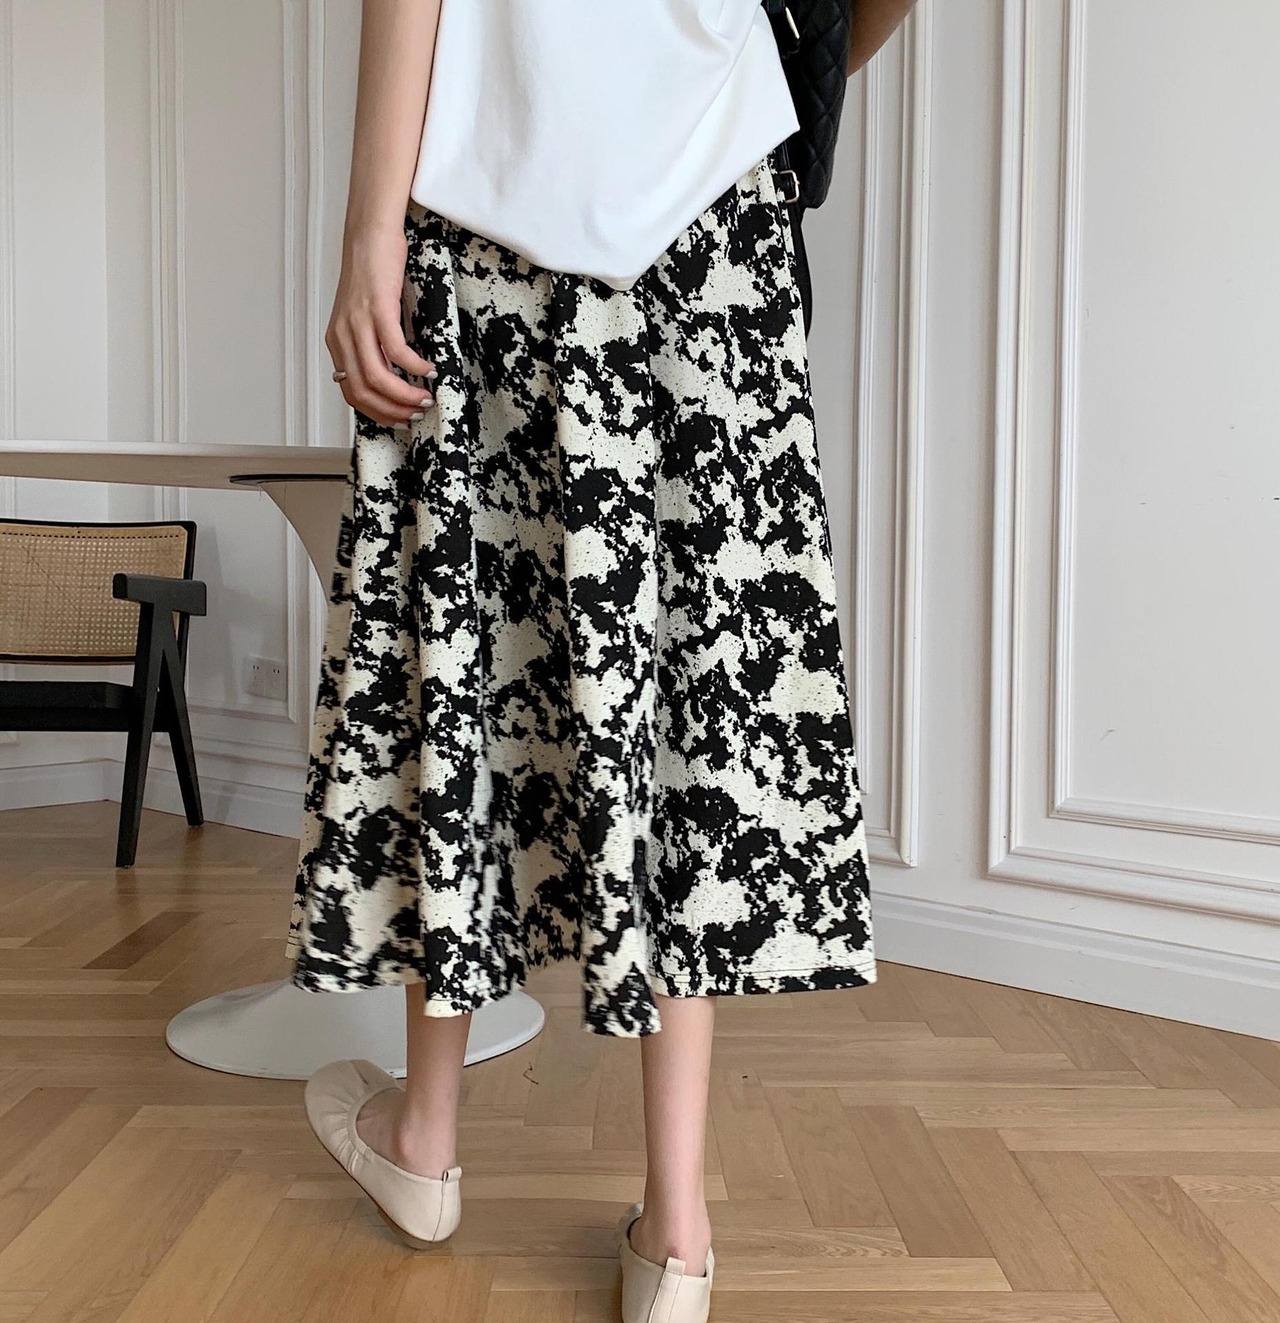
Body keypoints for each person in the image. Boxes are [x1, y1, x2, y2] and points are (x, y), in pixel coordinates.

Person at [287, 2, 913, 1319]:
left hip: (486, 214)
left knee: (460, 651)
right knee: (691, 695)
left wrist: (367, 233)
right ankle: (675, 1231)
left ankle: (425, 1138)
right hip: (720, 226)